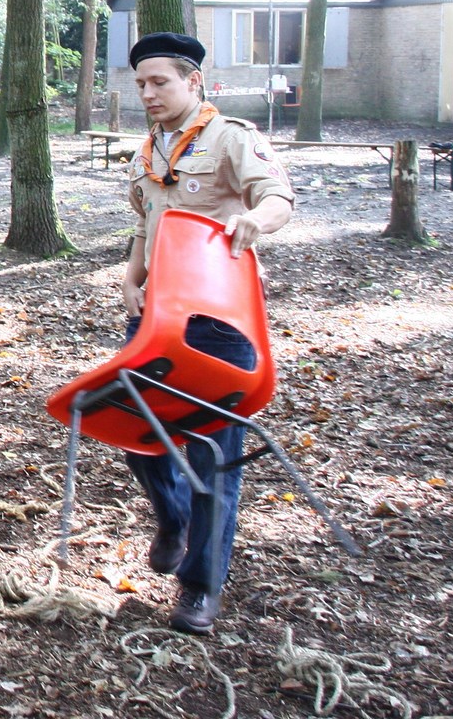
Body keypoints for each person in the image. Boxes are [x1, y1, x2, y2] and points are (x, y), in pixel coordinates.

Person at [119, 31, 295, 635]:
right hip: (156, 319)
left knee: (213, 455)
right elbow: (145, 223)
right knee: (134, 428)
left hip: (218, 321)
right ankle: (174, 519)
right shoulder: (147, 150)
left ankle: (200, 586)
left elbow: (277, 196)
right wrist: (131, 278)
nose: (148, 93)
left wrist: (256, 220)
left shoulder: (230, 137)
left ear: (193, 81)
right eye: (141, 83)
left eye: (160, 82)